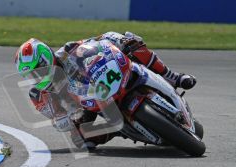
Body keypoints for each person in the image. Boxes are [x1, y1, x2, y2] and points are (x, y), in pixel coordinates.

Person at [14, 31, 197, 150]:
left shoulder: (68, 50)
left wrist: (119, 41)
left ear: (46, 58)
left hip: (102, 81)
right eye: (31, 76)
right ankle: (120, 130)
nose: (37, 78)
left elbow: (99, 41)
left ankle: (172, 76)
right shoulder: (39, 95)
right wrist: (64, 119)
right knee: (81, 140)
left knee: (133, 44)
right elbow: (57, 119)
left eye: (38, 70)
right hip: (86, 105)